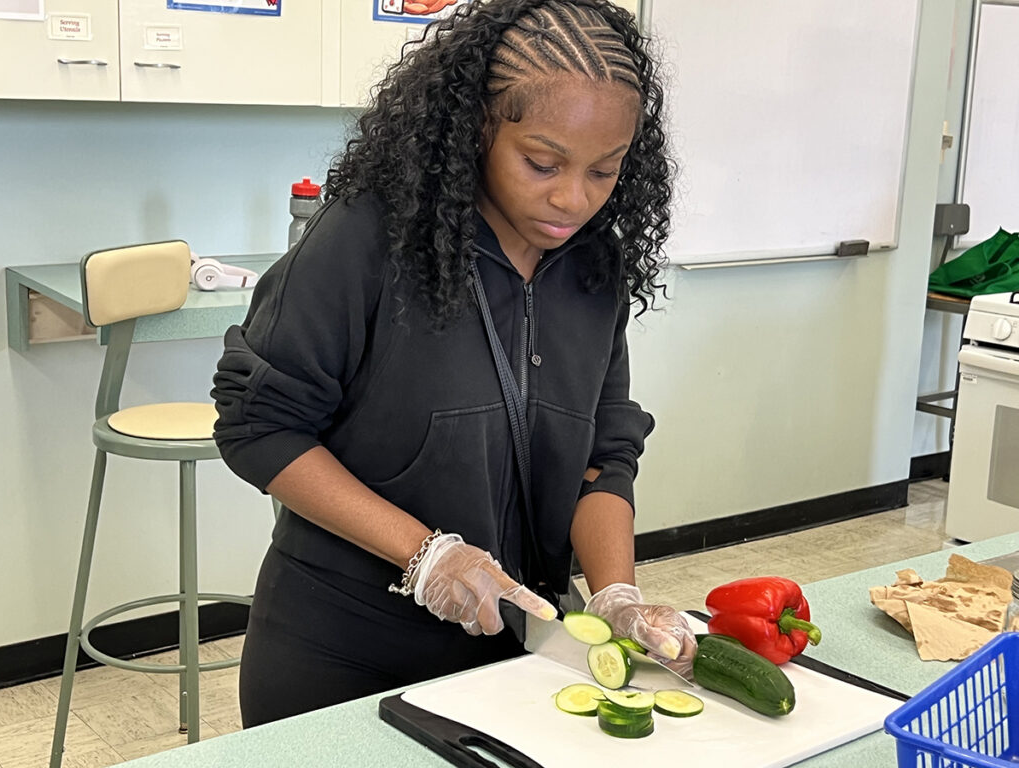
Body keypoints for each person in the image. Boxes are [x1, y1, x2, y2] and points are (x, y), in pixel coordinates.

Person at [211, 0, 696, 728]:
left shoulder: (595, 265)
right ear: (476, 127)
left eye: (605, 170)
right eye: (542, 162)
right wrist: (426, 556)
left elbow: (605, 450)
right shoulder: (366, 238)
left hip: (515, 656)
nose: (573, 199)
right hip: (344, 655)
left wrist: (614, 595)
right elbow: (260, 428)